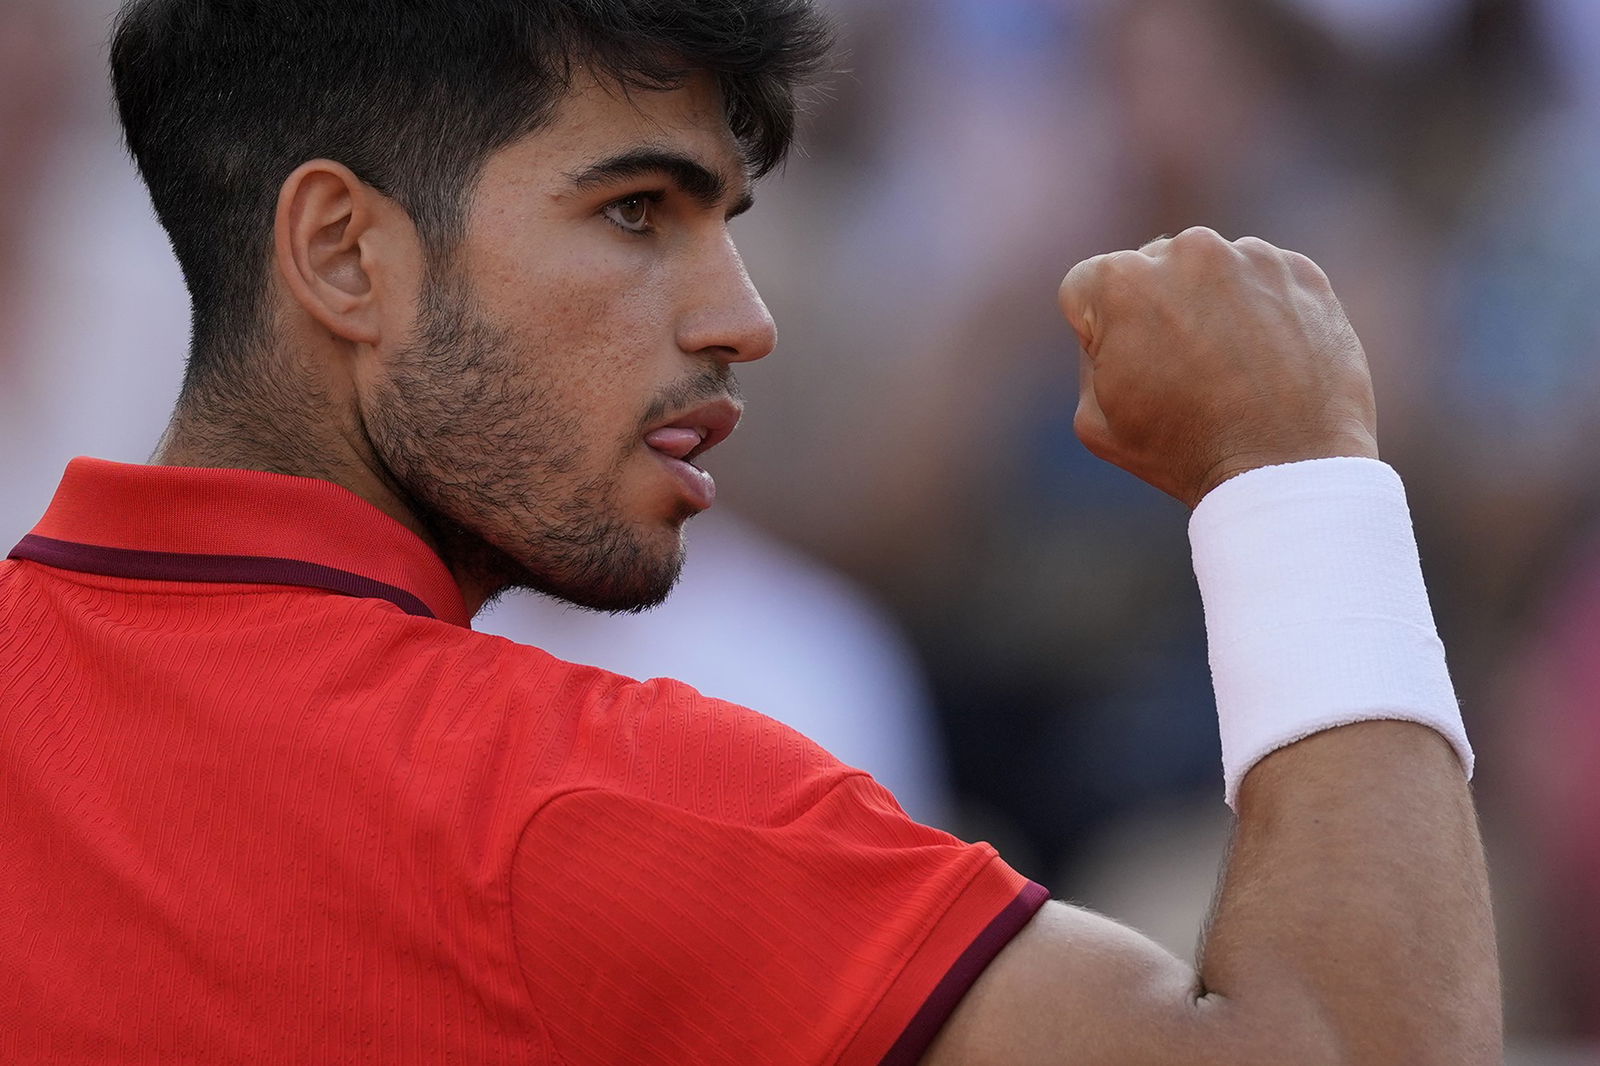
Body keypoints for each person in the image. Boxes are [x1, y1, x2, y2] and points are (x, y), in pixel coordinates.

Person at [0, 1, 1499, 1063]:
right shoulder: (590, 807)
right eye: (637, 211)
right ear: (343, 251)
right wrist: (1300, 474)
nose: (743, 319)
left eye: (729, 219)